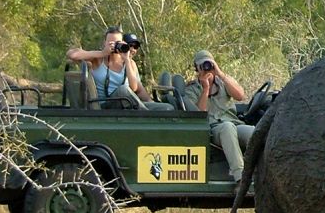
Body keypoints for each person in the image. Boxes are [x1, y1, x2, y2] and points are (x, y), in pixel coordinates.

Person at [183, 50, 253, 183]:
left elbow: (240, 95)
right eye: (202, 66)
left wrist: (219, 73)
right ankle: (240, 178)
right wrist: (205, 89)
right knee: (227, 128)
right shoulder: (192, 89)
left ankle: (263, 174)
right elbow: (200, 114)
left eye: (209, 64)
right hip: (212, 129)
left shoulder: (224, 81)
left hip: (234, 124)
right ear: (197, 68)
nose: (206, 68)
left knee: (255, 132)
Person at [66, 26, 172, 110]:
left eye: (117, 43)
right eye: (111, 43)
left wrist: (126, 59)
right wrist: (103, 52)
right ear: (105, 43)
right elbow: (72, 54)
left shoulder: (130, 63)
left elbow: (135, 88)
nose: (114, 46)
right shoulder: (97, 60)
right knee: (123, 90)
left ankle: (147, 115)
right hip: (106, 106)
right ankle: (147, 118)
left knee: (167, 108)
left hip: (128, 104)